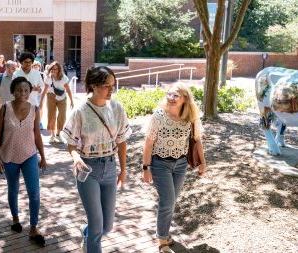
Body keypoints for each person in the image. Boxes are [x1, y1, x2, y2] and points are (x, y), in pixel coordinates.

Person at [62, 66, 132, 252]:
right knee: (96, 224)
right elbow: (70, 142)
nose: (111, 90)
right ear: (93, 85)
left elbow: (122, 140)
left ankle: (87, 236)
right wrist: (76, 157)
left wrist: (123, 170)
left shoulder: (117, 108)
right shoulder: (80, 111)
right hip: (87, 169)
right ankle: (91, 241)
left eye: (113, 86)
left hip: (109, 167)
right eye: (106, 86)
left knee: (106, 226)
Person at [141, 83, 206, 253]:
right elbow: (148, 143)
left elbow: (197, 140)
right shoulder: (159, 116)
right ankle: (162, 241)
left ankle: (164, 233)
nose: (171, 98)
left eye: (176, 95)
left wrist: (203, 163)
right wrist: (145, 168)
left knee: (171, 202)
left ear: (185, 99)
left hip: (181, 164)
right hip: (160, 164)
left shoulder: (189, 117)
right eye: (169, 94)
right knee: (168, 201)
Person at [0, 77, 47, 247]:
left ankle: (33, 227)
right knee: (13, 189)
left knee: (34, 192)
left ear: (29, 92)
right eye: (19, 90)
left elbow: (37, 135)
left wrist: (43, 156)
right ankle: (15, 219)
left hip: (29, 155)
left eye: (26, 90)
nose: (22, 93)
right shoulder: (4, 109)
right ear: (13, 91)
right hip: (8, 156)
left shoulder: (34, 109)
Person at [41, 61, 74, 143]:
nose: (54, 71)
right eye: (52, 69)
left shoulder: (63, 77)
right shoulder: (48, 78)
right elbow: (45, 90)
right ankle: (52, 135)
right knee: (51, 115)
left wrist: (72, 101)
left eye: (56, 69)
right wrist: (41, 102)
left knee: (62, 116)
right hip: (51, 96)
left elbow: (68, 89)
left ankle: (59, 134)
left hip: (62, 98)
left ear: (59, 69)